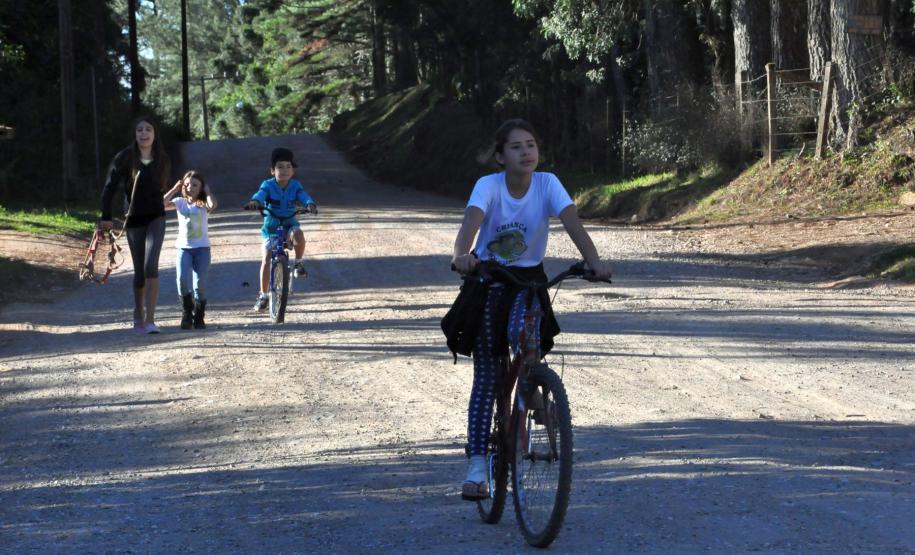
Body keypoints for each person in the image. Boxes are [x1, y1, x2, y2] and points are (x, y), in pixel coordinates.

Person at [449, 119, 612, 500]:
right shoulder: (488, 186)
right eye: (517, 147)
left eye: (531, 145)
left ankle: (534, 391)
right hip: (489, 278)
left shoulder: (548, 183)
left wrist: (594, 262)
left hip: (529, 279)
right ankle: (476, 467)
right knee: (487, 373)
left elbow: (573, 224)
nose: (526, 152)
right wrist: (461, 255)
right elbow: (470, 223)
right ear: (501, 155)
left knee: (527, 341)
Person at [100, 115, 172, 334]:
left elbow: (160, 188)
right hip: (133, 219)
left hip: (156, 217)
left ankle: (150, 319)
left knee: (151, 266)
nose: (144, 134)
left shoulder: (162, 159)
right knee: (139, 271)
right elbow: (109, 187)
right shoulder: (124, 158)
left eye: (148, 130)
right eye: (139, 130)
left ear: (154, 133)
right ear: (135, 134)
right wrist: (106, 217)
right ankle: (137, 314)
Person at [243, 147, 317, 311]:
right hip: (271, 229)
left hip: (289, 224)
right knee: (267, 257)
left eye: (288, 166)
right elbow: (260, 194)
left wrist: (309, 204)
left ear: (293, 170)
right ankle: (263, 295)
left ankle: (298, 264)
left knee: (298, 234)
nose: (285, 170)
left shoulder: (295, 185)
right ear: (272, 170)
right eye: (280, 167)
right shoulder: (267, 185)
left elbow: (303, 195)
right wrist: (255, 201)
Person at [164, 170, 217, 330]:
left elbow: (212, 205)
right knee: (181, 280)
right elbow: (162, 204)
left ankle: (199, 316)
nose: (190, 187)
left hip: (202, 249)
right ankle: (187, 313)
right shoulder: (180, 202)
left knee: (199, 284)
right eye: (187, 184)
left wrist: (207, 192)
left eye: (195, 185)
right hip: (183, 248)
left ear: (201, 187)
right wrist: (174, 189)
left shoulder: (202, 204)